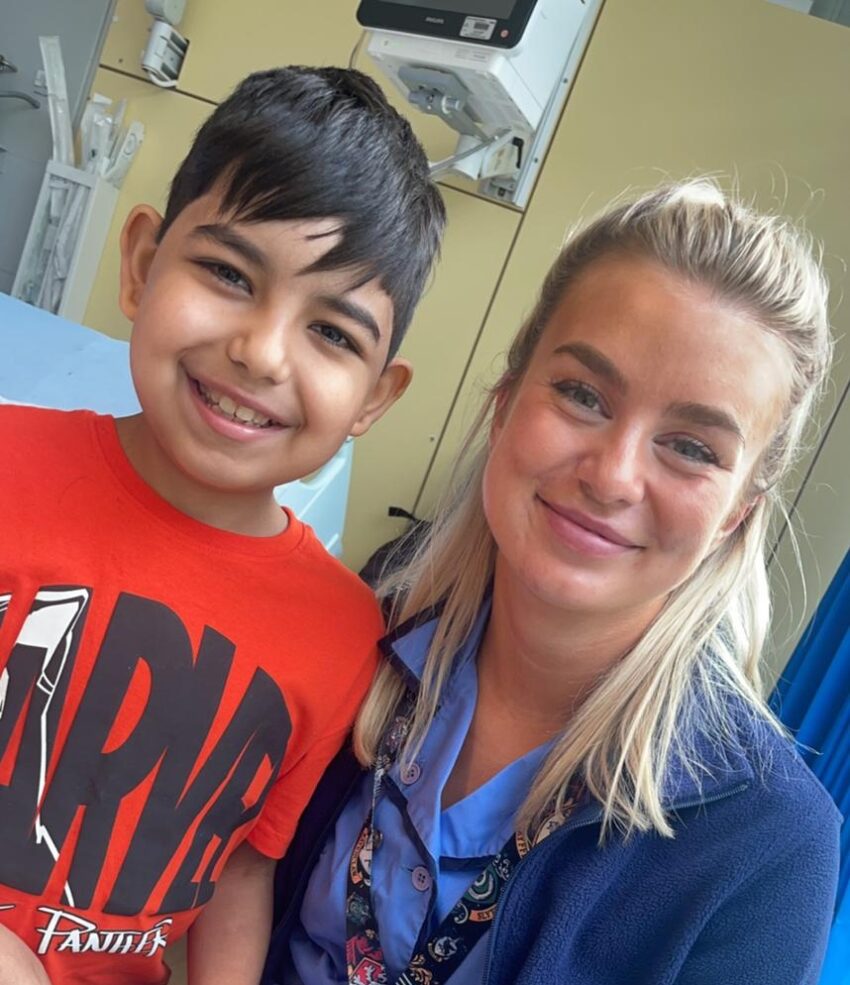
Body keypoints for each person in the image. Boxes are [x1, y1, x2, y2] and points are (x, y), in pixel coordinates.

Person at [265, 179, 841, 985]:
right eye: (581, 394)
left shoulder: (768, 846)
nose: (612, 476)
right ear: (505, 402)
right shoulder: (374, 616)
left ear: (738, 512)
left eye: (693, 447)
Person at [0, 66, 445, 985]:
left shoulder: (341, 632)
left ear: (374, 399)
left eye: (332, 333)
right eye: (228, 272)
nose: (260, 350)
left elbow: (242, 863)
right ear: (140, 264)